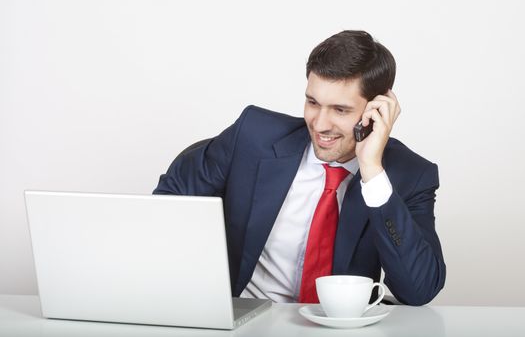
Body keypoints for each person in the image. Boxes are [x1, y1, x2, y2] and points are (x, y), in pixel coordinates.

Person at [153, 30, 446, 306]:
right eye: (312, 102)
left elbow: (419, 290)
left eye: (340, 110)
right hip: (248, 322)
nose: (319, 124)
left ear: (376, 110)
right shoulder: (253, 136)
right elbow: (169, 203)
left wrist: (371, 170)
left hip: (341, 332)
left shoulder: (409, 175)